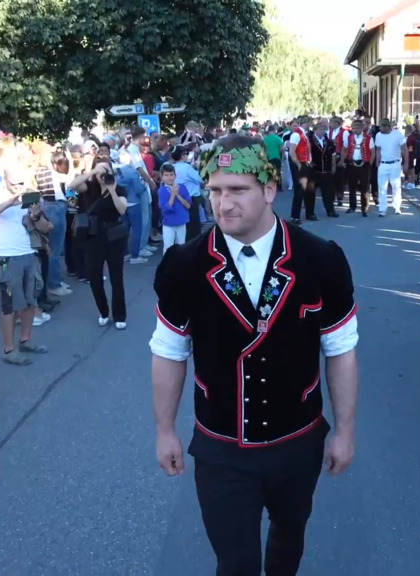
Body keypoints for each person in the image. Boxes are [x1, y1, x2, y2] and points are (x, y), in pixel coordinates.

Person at [150, 134, 359, 575]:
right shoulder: (185, 267)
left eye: (237, 190)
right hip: (221, 447)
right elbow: (169, 351)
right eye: (215, 191)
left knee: (288, 541)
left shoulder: (319, 259)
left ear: (268, 190)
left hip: (297, 442)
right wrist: (165, 429)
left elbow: (340, 348)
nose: (223, 204)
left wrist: (344, 430)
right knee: (236, 562)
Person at [0, 168, 50, 365]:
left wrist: (36, 215)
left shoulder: (31, 193)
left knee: (30, 300)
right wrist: (10, 202)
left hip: (29, 252)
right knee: (9, 305)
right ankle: (9, 349)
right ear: (5, 180)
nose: (18, 187)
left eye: (21, 183)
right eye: (14, 184)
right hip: (6, 256)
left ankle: (25, 339)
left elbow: (43, 227)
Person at [68, 156, 130, 329]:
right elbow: (72, 186)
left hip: (114, 236)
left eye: (106, 171)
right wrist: (93, 171)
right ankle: (103, 311)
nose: (103, 175)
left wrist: (112, 190)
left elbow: (122, 209)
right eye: (100, 171)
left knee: (117, 277)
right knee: (95, 277)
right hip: (93, 237)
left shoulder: (120, 189)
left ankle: (119, 315)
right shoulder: (89, 188)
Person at [373, 118, 408, 217]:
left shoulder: (397, 134)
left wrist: (406, 164)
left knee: (396, 186)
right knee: (382, 187)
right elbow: (378, 149)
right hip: (383, 164)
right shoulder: (378, 135)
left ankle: (397, 206)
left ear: (388, 127)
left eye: (382, 126)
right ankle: (382, 209)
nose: (380, 128)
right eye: (380, 126)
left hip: (395, 163)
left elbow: (404, 149)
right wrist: (377, 162)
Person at [158, 163, 192, 254]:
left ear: (175, 175)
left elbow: (188, 205)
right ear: (162, 177)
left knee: (181, 247)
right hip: (169, 224)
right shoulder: (161, 191)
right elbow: (167, 209)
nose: (169, 178)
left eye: (171, 175)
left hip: (181, 222)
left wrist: (177, 195)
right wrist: (173, 194)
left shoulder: (182, 187)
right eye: (166, 175)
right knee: (168, 248)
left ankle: (180, 266)